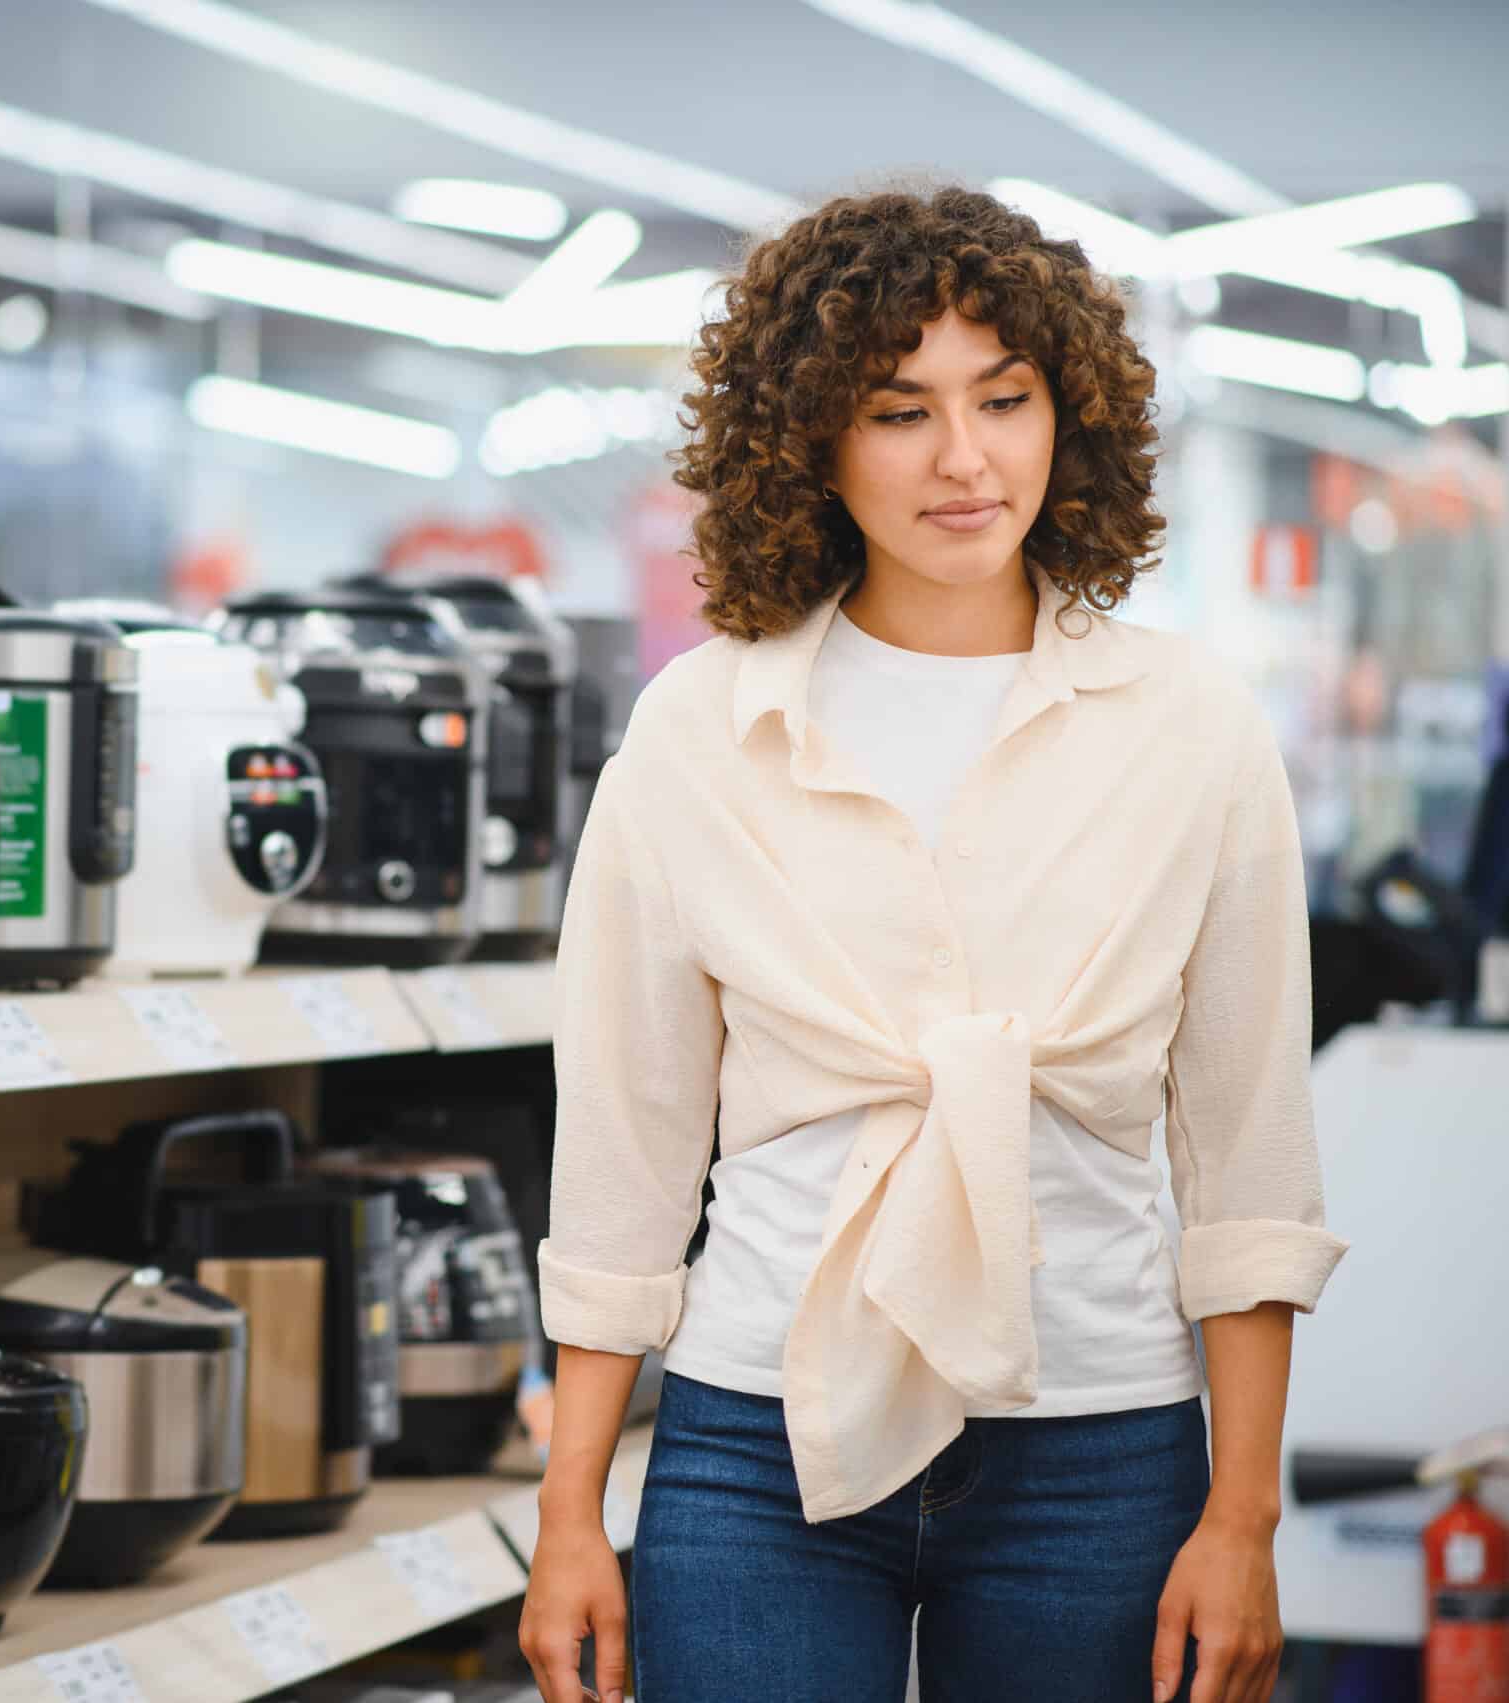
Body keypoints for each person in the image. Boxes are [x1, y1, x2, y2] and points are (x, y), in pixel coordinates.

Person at [517, 186, 1345, 1703]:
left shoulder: (1192, 731)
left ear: (1066, 416)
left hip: (1101, 1447)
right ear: (812, 444)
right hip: (758, 1437)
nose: (965, 459)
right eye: (901, 412)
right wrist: (570, 1512)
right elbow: (627, 1148)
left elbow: (1248, 1163)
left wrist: (1246, 1516)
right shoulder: (703, 728)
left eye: (1004, 400)